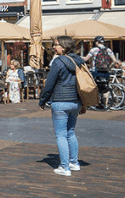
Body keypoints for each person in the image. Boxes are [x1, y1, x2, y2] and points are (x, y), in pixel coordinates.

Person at [38, 35, 83, 177]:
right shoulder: (78, 61)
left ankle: (64, 167)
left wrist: (42, 100)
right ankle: (74, 163)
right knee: (71, 132)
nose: (54, 47)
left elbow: (49, 84)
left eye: (56, 44)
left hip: (60, 101)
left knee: (61, 135)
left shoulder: (58, 62)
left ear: (64, 47)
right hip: (75, 101)